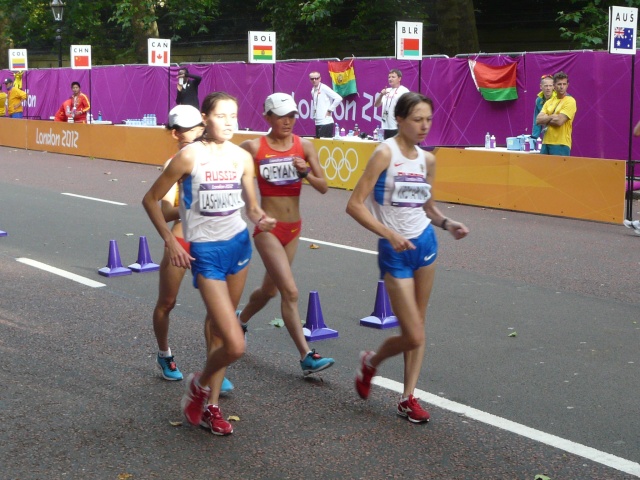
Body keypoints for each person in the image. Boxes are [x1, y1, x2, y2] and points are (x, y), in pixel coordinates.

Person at [142, 92, 276, 436]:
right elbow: (151, 199)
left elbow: (250, 206)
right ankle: (198, 385)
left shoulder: (242, 157)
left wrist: (260, 217)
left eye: (234, 115)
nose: (230, 121)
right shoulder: (189, 157)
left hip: (239, 247)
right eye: (222, 115)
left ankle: (211, 407)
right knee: (235, 345)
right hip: (206, 253)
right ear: (207, 118)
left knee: (220, 330)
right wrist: (171, 240)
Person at [346, 92, 469, 423]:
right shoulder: (384, 153)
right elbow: (354, 204)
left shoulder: (428, 160)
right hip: (395, 251)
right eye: (417, 119)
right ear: (399, 120)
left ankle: (407, 397)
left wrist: (447, 223)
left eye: (428, 119)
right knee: (412, 332)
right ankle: (371, 363)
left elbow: (427, 206)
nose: (424, 126)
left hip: (426, 245)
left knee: (420, 325)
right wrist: (389, 234)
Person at [238, 93, 335, 376]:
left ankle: (239, 321)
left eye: (292, 116)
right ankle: (307, 355)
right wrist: (251, 210)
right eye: (281, 116)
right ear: (267, 117)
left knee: (269, 291)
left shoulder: (304, 146)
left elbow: (324, 186)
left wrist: (305, 173)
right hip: (267, 228)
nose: (288, 121)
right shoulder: (253, 147)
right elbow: (232, 174)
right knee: (289, 291)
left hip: (294, 229)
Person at [536, 71, 577, 156]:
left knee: (559, 169)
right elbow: (538, 120)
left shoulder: (570, 101)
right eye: (559, 84)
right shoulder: (549, 101)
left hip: (561, 143)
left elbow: (559, 121)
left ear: (567, 85)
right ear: (554, 86)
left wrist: (546, 117)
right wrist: (553, 116)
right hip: (546, 142)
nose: (562, 87)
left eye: (564, 84)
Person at [374, 69, 410, 139]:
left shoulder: (404, 91)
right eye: (389, 77)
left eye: (393, 77)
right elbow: (376, 105)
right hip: (385, 127)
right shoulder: (386, 90)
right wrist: (381, 95)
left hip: (396, 127)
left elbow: (409, 107)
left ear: (399, 78)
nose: (390, 79)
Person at [309, 71, 343, 138]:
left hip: (326, 122)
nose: (314, 80)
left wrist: (330, 110)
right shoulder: (313, 90)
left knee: (324, 145)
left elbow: (338, 98)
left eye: (316, 78)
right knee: (318, 145)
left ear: (320, 79)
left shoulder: (324, 87)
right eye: (312, 79)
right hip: (317, 121)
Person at [531, 74, 555, 141]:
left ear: (554, 87)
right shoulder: (538, 100)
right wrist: (534, 137)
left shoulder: (558, 99)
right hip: (546, 136)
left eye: (550, 86)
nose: (548, 88)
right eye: (546, 86)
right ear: (541, 86)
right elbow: (536, 120)